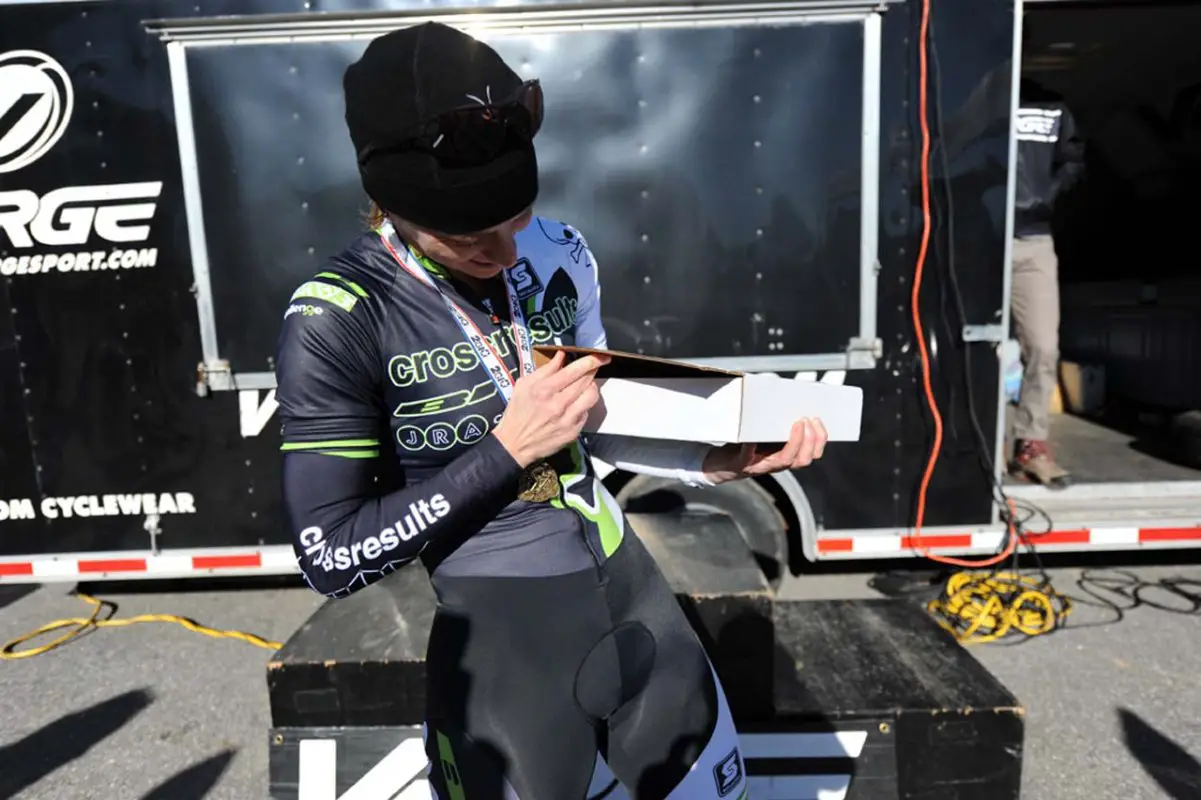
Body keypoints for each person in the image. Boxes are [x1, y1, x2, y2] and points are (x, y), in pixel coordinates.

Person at [274, 21, 829, 800]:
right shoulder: (337, 316)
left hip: (638, 611)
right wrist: (504, 451)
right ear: (384, 202)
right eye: (470, 237)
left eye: (515, 216)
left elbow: (593, 420)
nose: (505, 253)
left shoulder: (560, 250)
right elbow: (329, 556)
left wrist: (706, 459)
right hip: (509, 661)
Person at [1009, 72, 1085, 489]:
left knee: (1043, 346)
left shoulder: (1051, 104)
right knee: (972, 346)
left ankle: (1030, 445)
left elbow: (1073, 158)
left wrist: (1047, 197)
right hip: (981, 240)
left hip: (1034, 240)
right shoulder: (977, 97)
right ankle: (973, 443)